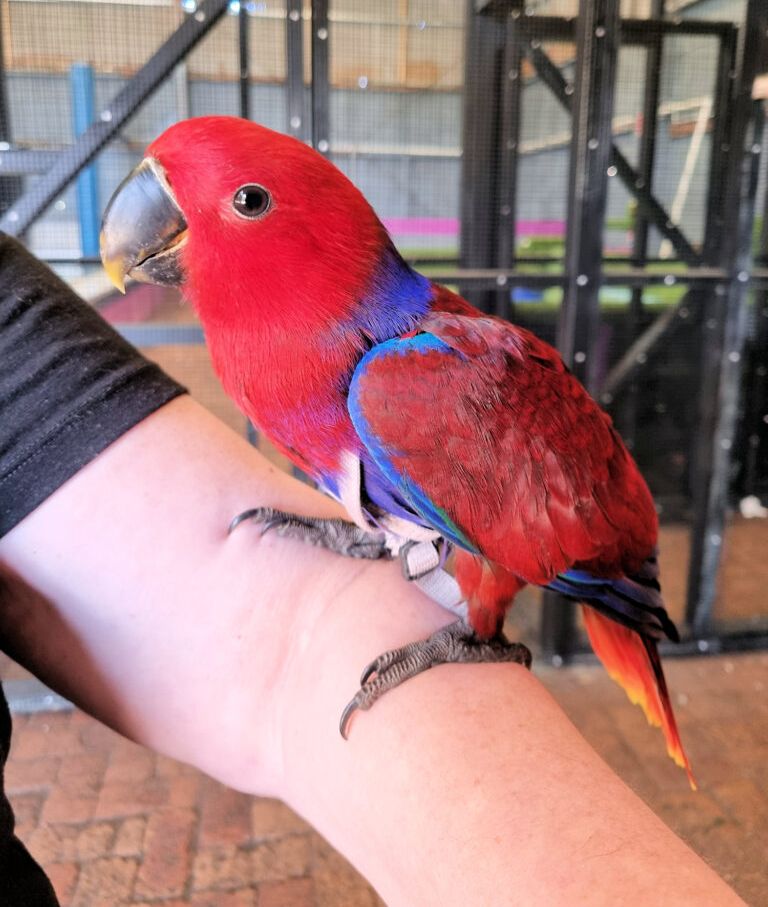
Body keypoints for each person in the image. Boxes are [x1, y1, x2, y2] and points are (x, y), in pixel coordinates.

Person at [0, 232, 746, 906]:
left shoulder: (408, 381)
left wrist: (463, 640)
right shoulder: (276, 362)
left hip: (563, 543)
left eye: (248, 204)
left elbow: (280, 645)